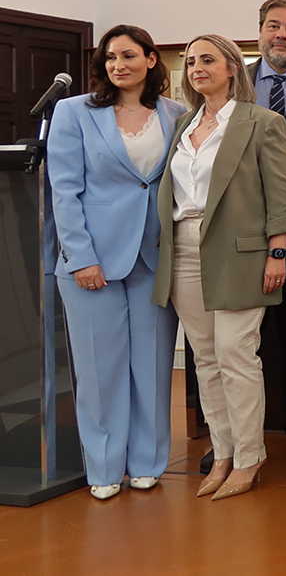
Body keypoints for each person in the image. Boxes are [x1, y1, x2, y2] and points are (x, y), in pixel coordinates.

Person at [151, 33, 286, 501]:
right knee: (206, 359)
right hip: (183, 246)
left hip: (241, 252)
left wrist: (278, 251)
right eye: (191, 61)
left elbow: (280, 194)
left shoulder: (262, 122)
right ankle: (224, 453)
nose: (197, 68)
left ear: (232, 66)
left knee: (237, 354)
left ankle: (251, 457)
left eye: (208, 60)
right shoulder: (182, 125)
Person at [49, 25, 186, 500]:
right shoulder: (74, 112)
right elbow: (64, 191)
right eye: (110, 57)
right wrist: (81, 256)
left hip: (155, 256)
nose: (117, 64)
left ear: (151, 59)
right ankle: (105, 467)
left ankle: (147, 462)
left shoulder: (178, 114)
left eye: (128, 55)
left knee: (151, 366)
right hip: (93, 262)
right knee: (100, 370)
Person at [196, 0, 286, 473]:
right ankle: (227, 442)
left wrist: (283, 240)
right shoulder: (226, 84)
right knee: (223, 348)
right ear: (259, 31)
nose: (281, 35)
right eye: (273, 26)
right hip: (227, 242)